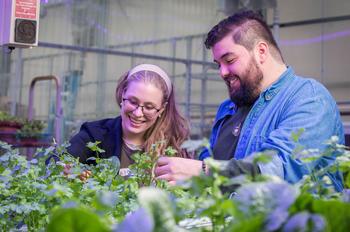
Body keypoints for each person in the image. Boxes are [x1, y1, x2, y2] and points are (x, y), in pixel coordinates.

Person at [155, 10, 344, 190]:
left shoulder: (309, 98)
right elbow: (211, 159)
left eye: (229, 60)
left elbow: (279, 170)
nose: (222, 73)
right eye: (218, 65)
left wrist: (202, 171)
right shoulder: (227, 108)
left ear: (261, 52)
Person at [67, 64, 190, 175]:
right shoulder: (94, 135)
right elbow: (56, 164)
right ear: (123, 95)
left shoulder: (173, 146)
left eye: (149, 107)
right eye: (132, 101)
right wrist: (73, 172)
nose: (137, 113)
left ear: (162, 109)